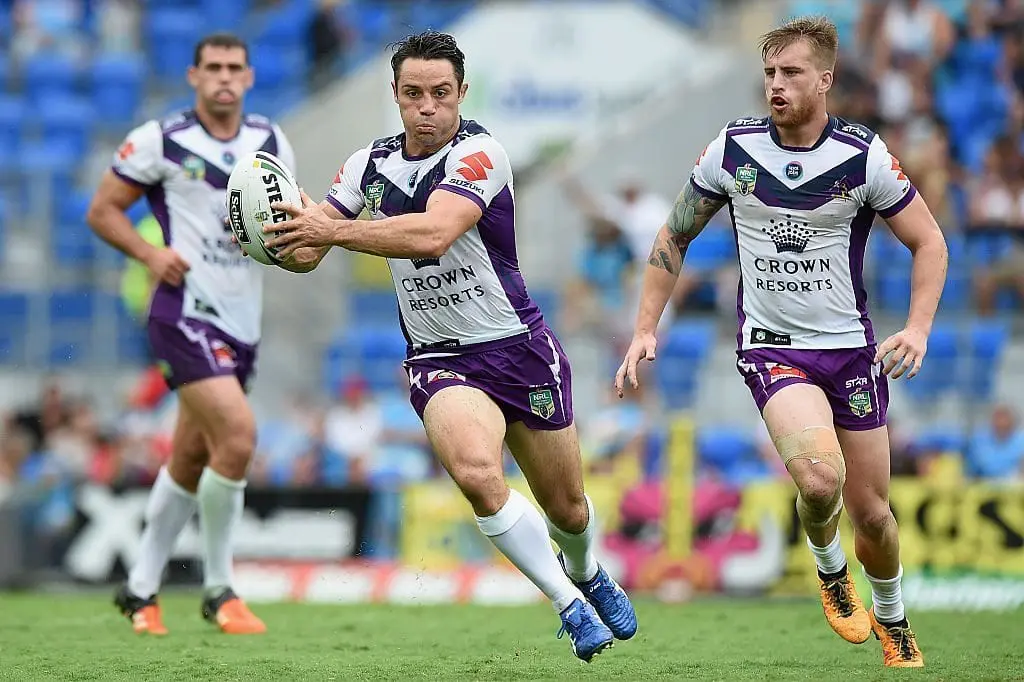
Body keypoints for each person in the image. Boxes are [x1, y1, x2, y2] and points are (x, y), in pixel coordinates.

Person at [253, 31, 637, 662]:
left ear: (461, 93)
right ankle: (567, 603)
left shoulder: (481, 153)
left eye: (439, 93)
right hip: (440, 357)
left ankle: (588, 571)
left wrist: (330, 228)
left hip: (517, 347)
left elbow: (433, 234)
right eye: (412, 94)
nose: (426, 107)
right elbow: (313, 250)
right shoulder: (364, 167)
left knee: (567, 507)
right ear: (396, 96)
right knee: (479, 476)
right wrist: (276, 239)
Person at [615, 16, 947, 669]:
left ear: (824, 80)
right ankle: (829, 570)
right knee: (820, 481)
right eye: (769, 72)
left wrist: (918, 327)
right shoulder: (731, 150)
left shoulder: (863, 157)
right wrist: (645, 326)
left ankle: (892, 615)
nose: (776, 84)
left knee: (874, 514)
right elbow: (673, 235)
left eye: (792, 72)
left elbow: (929, 242)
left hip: (850, 350)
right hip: (772, 346)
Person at [86, 32, 304, 636]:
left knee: (190, 456)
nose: (225, 77)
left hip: (243, 316)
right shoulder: (161, 139)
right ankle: (220, 588)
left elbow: (284, 214)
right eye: (214, 67)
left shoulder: (270, 140)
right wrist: (148, 256)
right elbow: (102, 210)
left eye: (235, 67)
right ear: (193, 75)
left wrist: (275, 233)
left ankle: (139, 590)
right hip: (182, 311)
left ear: (250, 77)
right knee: (237, 435)